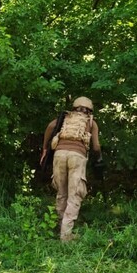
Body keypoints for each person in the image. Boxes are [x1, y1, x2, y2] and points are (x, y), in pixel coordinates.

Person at [39, 96, 102, 241]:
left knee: (62, 193)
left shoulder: (65, 118)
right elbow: (96, 146)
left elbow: (49, 127)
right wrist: (99, 158)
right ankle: (66, 236)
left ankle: (61, 228)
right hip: (77, 157)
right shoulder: (91, 123)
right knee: (75, 194)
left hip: (59, 154)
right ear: (90, 110)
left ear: (74, 107)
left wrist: (44, 148)